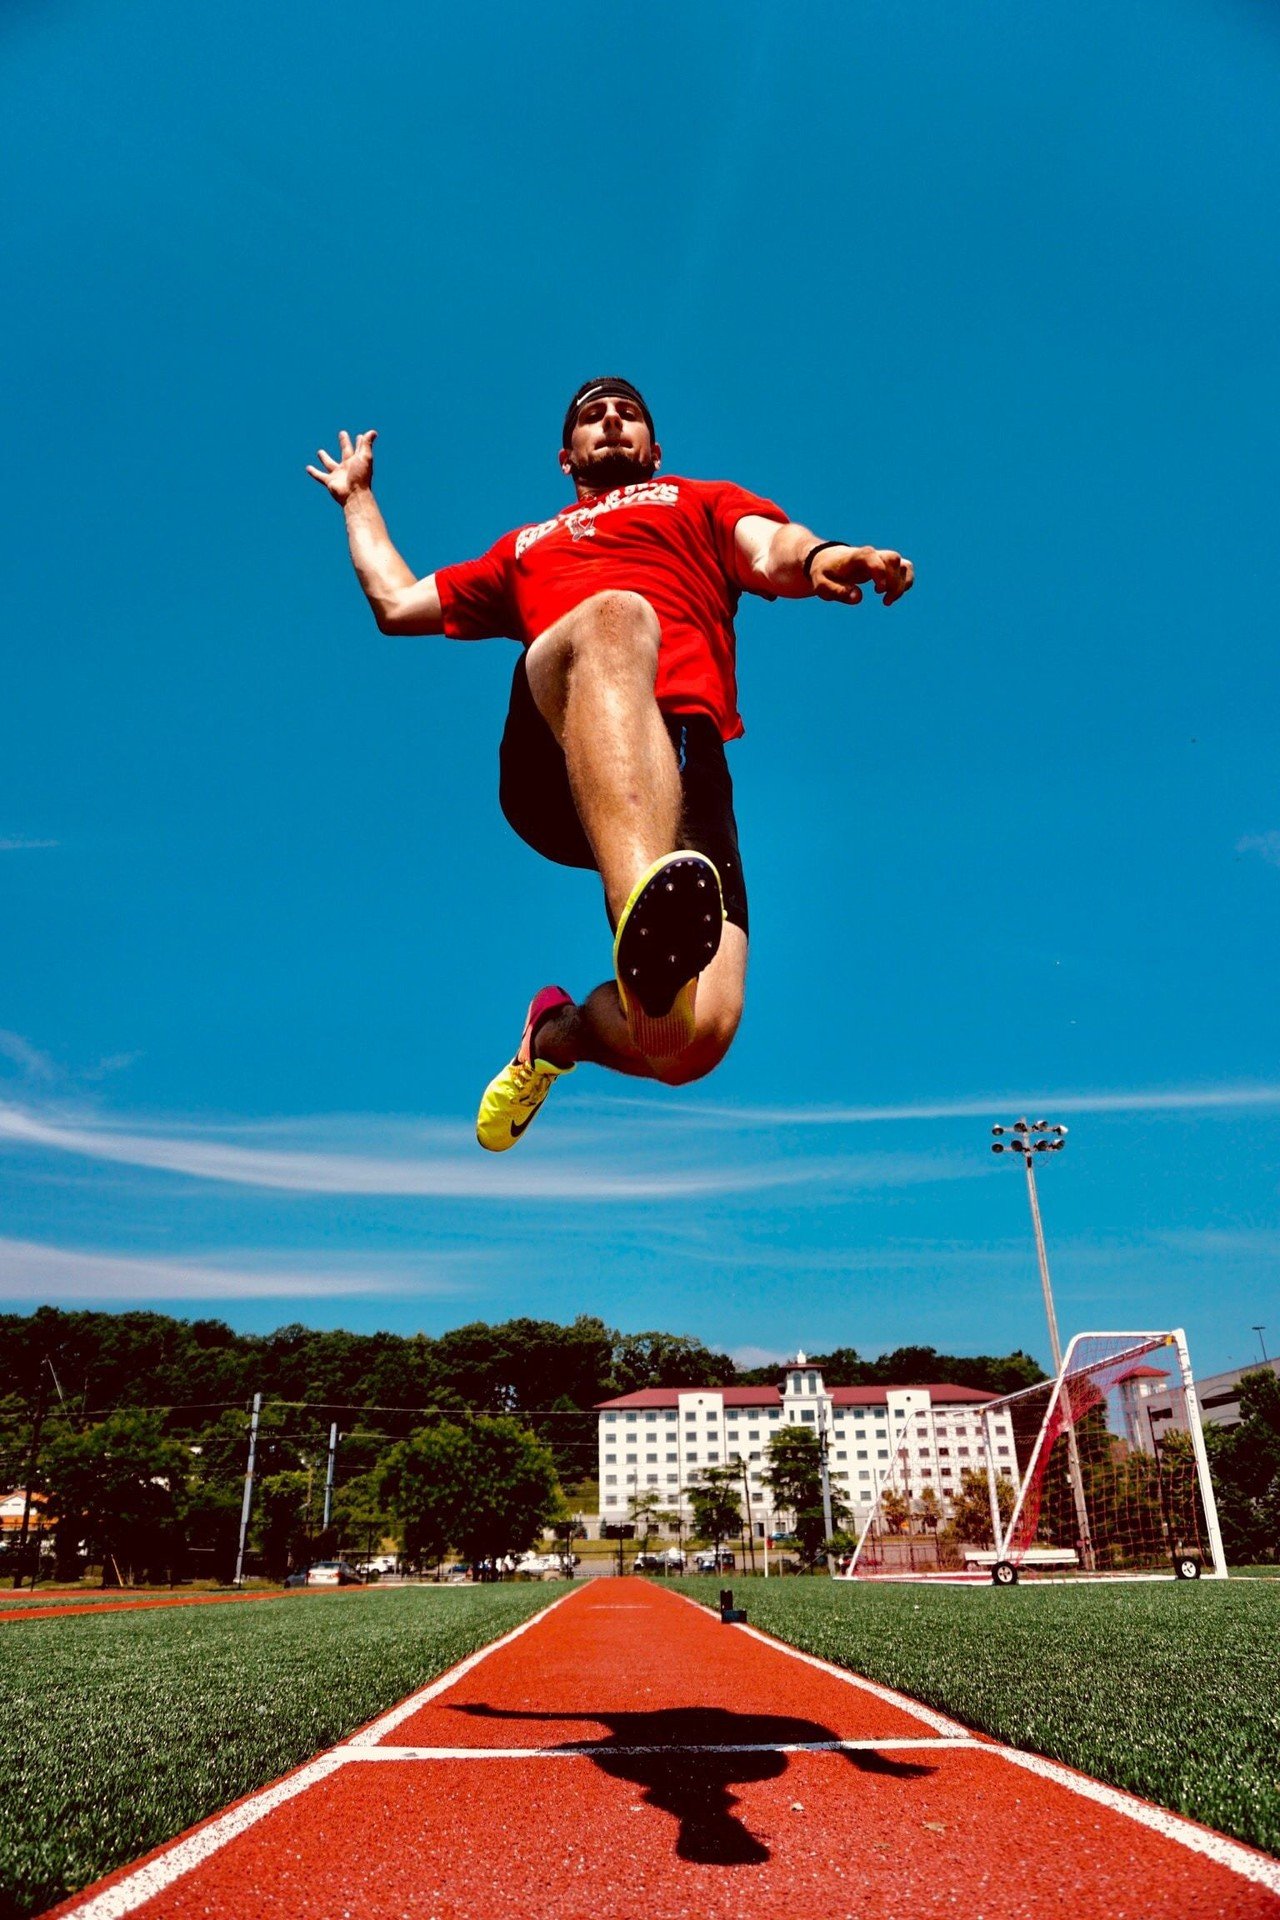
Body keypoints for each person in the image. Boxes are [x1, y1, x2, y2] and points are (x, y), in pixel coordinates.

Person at [308, 379, 913, 1150]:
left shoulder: (696, 501)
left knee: (696, 1045)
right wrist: (357, 499)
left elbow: (770, 545)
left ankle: (560, 1034)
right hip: (555, 747)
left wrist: (829, 553)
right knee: (617, 615)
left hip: (685, 764)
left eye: (628, 414)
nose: (612, 422)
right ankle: (649, 944)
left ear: (654, 449)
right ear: (568, 457)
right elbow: (397, 603)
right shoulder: (522, 548)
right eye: (593, 417)